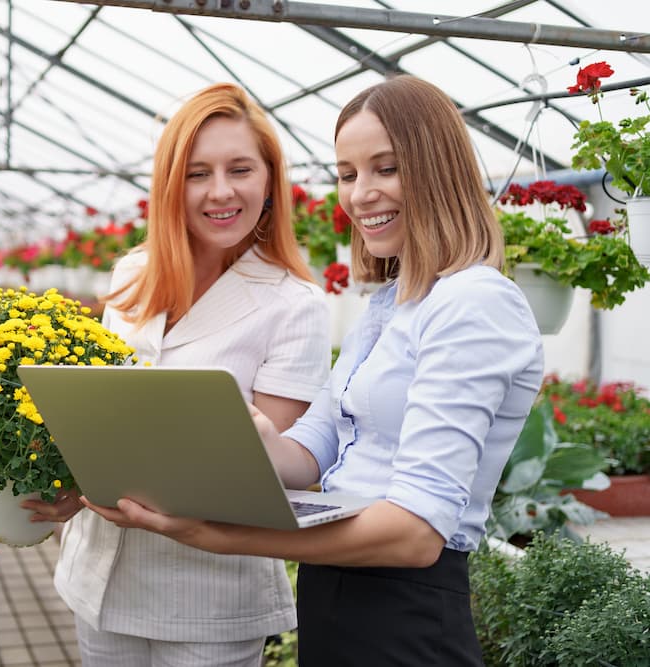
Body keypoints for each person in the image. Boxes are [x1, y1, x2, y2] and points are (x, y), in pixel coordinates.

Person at [82, 75, 545, 666]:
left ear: (438, 169)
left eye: (386, 168)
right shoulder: (391, 305)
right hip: (336, 594)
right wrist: (252, 438)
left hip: (406, 611)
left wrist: (218, 536)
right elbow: (313, 450)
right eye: (348, 175)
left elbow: (415, 532)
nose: (361, 194)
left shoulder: (475, 302)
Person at [20, 82, 331, 666]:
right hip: (100, 577)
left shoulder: (295, 304)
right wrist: (74, 484)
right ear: (170, 184)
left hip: (207, 597)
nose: (221, 192)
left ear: (269, 181)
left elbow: (271, 474)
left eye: (240, 169)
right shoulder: (133, 273)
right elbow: (104, 417)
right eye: (197, 173)